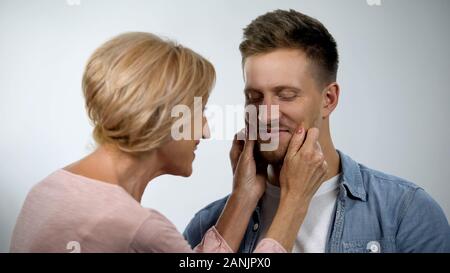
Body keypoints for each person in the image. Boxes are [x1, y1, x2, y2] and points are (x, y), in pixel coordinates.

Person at [10, 32, 328, 253]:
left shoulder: (50, 189)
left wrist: (244, 195)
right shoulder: (135, 227)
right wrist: (295, 199)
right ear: (164, 118)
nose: (205, 131)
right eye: (199, 113)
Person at [183, 9, 450, 253]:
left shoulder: (404, 213)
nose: (265, 113)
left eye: (286, 95)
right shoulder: (209, 226)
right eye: (254, 97)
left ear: (329, 99)